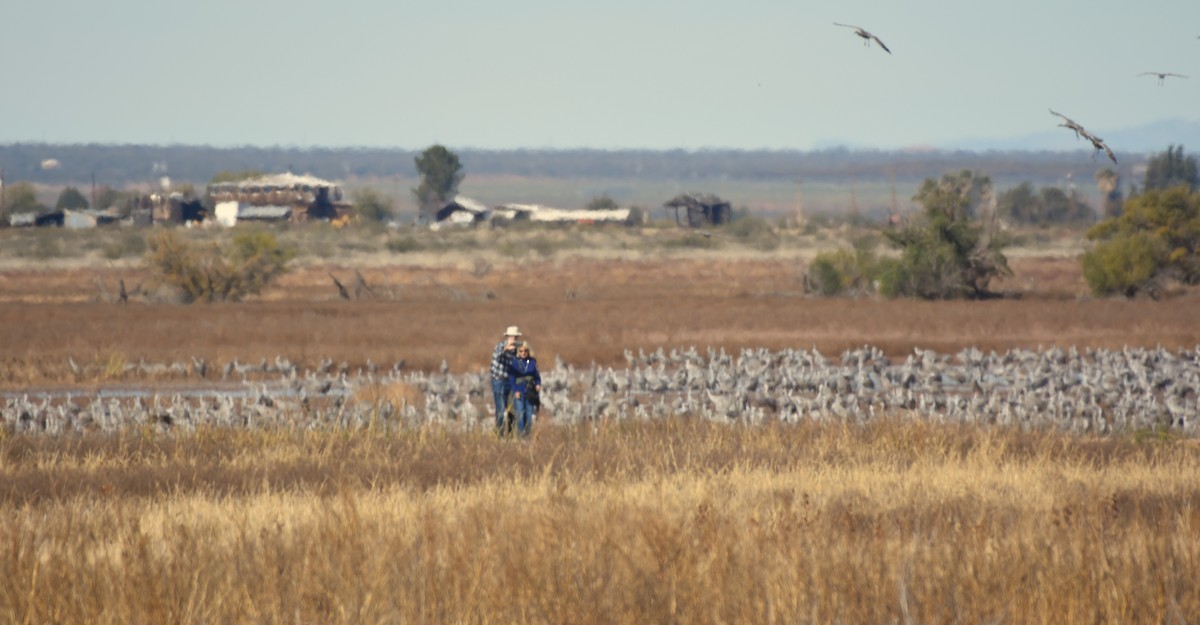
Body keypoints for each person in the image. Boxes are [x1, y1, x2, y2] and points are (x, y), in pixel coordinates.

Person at [490, 325, 522, 434]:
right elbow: (498, 356)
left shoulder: (517, 351)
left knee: (512, 408)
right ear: (507, 336)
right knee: (500, 407)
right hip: (498, 380)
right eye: (512, 337)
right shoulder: (499, 346)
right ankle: (499, 434)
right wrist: (506, 349)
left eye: (515, 337)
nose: (513, 339)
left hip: (510, 381)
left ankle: (510, 433)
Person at [506, 341, 542, 438]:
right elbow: (511, 379)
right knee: (520, 414)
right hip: (519, 392)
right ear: (518, 352)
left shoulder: (532, 362)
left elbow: (537, 376)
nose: (523, 353)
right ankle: (521, 436)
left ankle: (528, 435)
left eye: (525, 351)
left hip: (530, 392)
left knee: (529, 414)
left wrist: (538, 384)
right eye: (521, 351)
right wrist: (515, 390)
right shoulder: (514, 363)